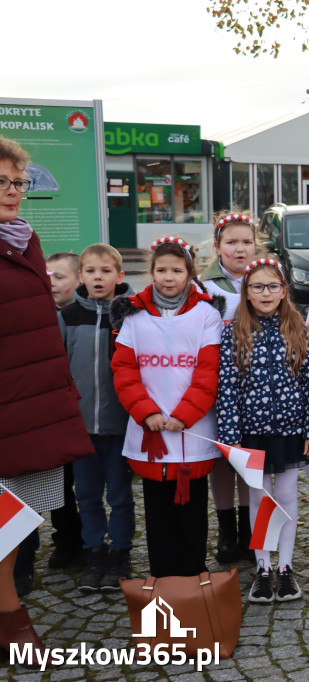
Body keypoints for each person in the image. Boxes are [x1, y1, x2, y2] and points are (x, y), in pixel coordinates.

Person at [0, 136, 93, 666]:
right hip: (7, 407)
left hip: (30, 407)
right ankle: (12, 617)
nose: (14, 192)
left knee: (15, 519)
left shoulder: (24, 239)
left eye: (20, 182)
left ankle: (8, 609)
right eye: (3, 182)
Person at [110, 237, 224, 578]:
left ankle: (194, 576)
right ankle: (163, 578)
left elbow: (208, 372)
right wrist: (147, 413)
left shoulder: (206, 314)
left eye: (177, 270)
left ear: (190, 273)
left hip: (192, 432)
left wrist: (183, 415)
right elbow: (124, 370)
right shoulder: (133, 314)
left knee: (193, 514)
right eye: (161, 270)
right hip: (150, 431)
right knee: (157, 513)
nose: (168, 277)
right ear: (152, 272)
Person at [217, 258, 309, 603]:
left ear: (284, 291)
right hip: (251, 433)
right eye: (257, 287)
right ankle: (263, 568)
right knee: (257, 499)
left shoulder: (298, 328)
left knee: (288, 497)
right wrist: (231, 438)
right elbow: (227, 387)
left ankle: (286, 568)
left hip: (290, 433)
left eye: (272, 286)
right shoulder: (234, 332)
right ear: (247, 293)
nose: (265, 293)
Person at [58, 244, 136, 594]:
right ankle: (94, 552)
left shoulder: (131, 315)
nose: (98, 277)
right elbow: (59, 369)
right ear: (81, 277)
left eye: (105, 271)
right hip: (81, 429)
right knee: (87, 494)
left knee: (119, 494)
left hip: (120, 428)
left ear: (119, 276)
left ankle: (119, 552)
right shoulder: (69, 316)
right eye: (91, 271)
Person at [16, 252, 87, 589]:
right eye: (48, 276)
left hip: (75, 414)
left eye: (59, 277)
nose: (51, 283)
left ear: (79, 280)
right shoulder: (33, 313)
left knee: (75, 485)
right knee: (44, 485)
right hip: (41, 415)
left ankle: (79, 540)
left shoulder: (79, 317)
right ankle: (58, 542)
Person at [201, 211, 259, 564]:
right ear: (218, 246)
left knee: (249, 456)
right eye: (232, 242)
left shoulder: (267, 277)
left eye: (247, 242)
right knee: (223, 458)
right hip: (217, 383)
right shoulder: (204, 287)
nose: (240, 249)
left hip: (254, 384)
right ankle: (226, 528)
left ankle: (249, 526)